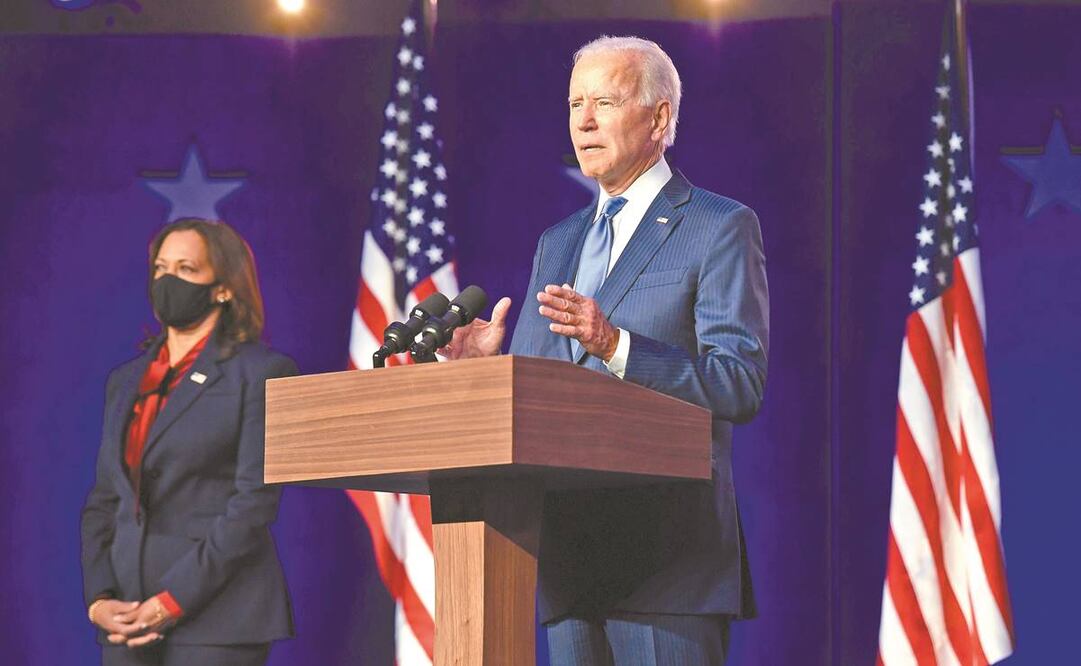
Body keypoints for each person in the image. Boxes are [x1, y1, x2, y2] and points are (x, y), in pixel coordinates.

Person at [442, 36, 769, 665]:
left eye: (605, 102)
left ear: (659, 117)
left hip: (666, 564)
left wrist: (615, 344)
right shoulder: (558, 242)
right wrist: (485, 376)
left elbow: (737, 383)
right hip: (567, 561)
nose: (584, 121)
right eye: (574, 104)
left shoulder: (718, 225)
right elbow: (550, 394)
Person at [81, 219, 296, 666]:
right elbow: (105, 499)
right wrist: (99, 597)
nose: (167, 280)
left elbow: (253, 502)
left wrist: (173, 600)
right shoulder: (124, 381)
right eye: (160, 268)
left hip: (218, 619)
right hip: (126, 616)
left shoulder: (261, 372)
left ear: (222, 287)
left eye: (185, 268)